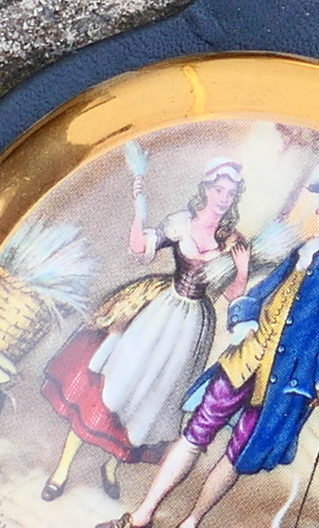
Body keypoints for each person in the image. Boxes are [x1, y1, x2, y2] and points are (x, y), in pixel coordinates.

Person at [98, 174, 319, 528]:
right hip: (248, 354)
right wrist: (245, 315)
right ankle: (142, 515)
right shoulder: (311, 244)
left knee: (237, 453)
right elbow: (269, 291)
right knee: (197, 432)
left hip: (285, 379)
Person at [33, 154, 249, 500]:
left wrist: (241, 269)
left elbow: (233, 297)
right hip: (158, 312)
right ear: (206, 190)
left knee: (150, 396)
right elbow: (141, 250)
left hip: (191, 329)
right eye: (219, 189)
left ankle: (110, 465)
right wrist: (139, 200)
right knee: (114, 381)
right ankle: (62, 468)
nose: (224, 198)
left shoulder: (233, 240)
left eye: (231, 192)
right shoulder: (182, 222)